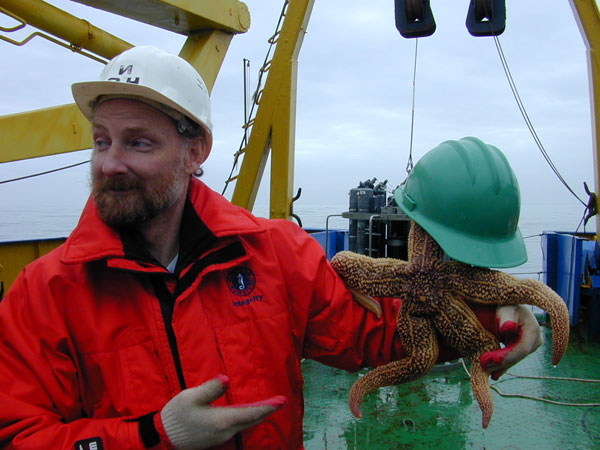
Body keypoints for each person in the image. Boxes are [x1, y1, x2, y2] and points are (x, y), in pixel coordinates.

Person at [0, 46, 542, 450]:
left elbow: (372, 334)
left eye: (138, 142)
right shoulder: (44, 293)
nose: (110, 162)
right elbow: (18, 434)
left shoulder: (275, 253)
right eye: (101, 140)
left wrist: (495, 314)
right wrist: (152, 435)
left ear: (196, 151)